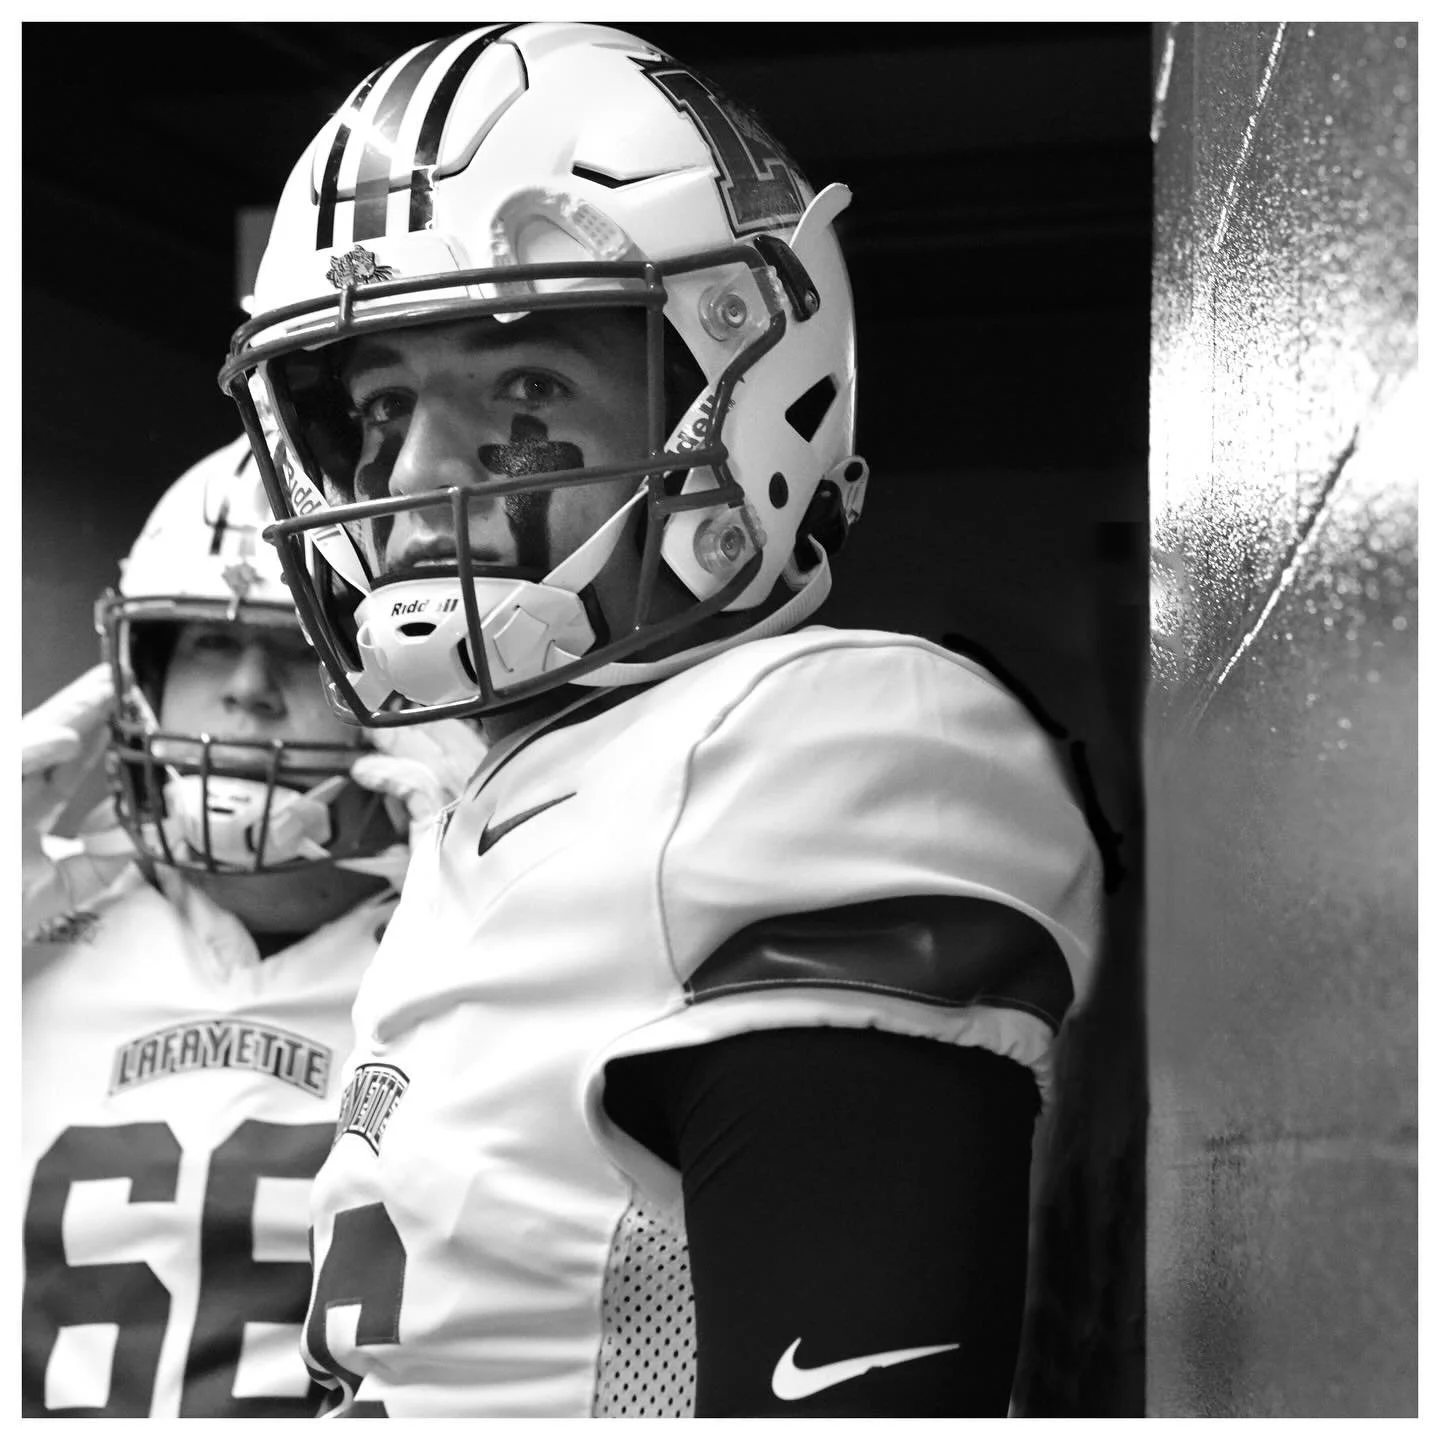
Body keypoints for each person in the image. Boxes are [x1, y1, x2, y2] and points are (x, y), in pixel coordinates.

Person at [220, 22, 1103, 1418]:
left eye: (524, 385)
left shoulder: (814, 743)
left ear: (736, 390)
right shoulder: (507, 803)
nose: (415, 470)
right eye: (380, 404)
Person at [20, 437, 484, 1418]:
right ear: (136, 682)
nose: (246, 689)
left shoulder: (474, 955)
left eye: (303, 648)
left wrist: (493, 884)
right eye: (208, 642)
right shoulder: (34, 925)